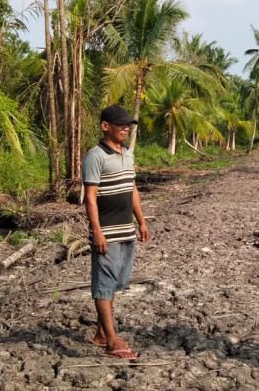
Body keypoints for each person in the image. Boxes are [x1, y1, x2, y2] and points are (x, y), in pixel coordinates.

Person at [82, 105, 151, 361]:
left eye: (128, 125)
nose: (125, 128)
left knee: (116, 282)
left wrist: (141, 221)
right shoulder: (95, 157)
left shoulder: (127, 154)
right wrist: (97, 232)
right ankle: (111, 342)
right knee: (103, 284)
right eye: (120, 124)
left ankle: (101, 333)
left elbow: (132, 188)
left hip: (126, 230)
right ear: (104, 126)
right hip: (107, 232)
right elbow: (90, 199)